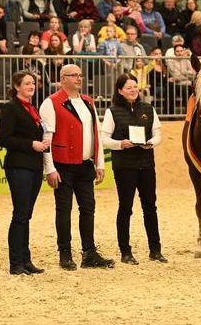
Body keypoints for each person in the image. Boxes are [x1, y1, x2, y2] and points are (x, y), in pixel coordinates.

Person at [39, 64, 115, 270]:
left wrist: (99, 163)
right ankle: (65, 252)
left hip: (85, 165)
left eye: (80, 75)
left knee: (88, 209)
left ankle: (89, 252)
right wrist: (50, 168)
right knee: (64, 209)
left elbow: (96, 133)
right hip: (62, 165)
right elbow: (47, 138)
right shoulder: (51, 103)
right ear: (63, 78)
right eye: (74, 75)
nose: (79, 79)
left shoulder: (88, 102)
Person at [101, 74, 168, 265]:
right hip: (124, 167)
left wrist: (151, 143)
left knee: (150, 207)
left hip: (146, 164)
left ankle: (155, 250)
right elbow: (105, 139)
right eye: (129, 87)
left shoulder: (148, 108)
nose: (133, 90)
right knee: (125, 208)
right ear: (120, 90)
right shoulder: (112, 111)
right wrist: (120, 144)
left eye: (135, 86)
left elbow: (157, 134)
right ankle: (125, 251)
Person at [0, 71, 50, 275]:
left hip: (33, 166)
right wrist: (31, 144)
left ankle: (26, 259)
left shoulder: (31, 109)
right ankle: (15, 263)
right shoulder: (11, 108)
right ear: (17, 86)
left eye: (33, 83)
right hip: (19, 166)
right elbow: (4, 139)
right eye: (27, 83)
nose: (32, 86)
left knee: (26, 214)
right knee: (20, 214)